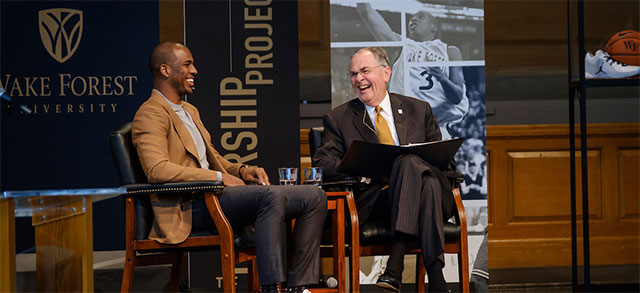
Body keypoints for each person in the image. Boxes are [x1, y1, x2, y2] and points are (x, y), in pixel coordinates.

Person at [132, 42, 327, 293]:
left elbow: (212, 157)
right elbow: (157, 170)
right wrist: (217, 178)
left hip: (215, 196)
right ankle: (270, 288)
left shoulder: (189, 110)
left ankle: (298, 286)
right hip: (191, 206)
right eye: (187, 65)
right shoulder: (150, 113)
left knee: (313, 196)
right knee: (270, 196)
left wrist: (241, 170)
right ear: (165, 70)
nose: (195, 71)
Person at [313, 47, 457, 292]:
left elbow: (446, 163)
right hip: (379, 200)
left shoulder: (418, 110)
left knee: (412, 165)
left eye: (365, 71)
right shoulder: (339, 118)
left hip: (433, 196)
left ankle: (394, 267)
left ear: (386, 73)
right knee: (420, 175)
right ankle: (436, 280)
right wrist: (362, 164)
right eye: (353, 74)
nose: (358, 79)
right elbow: (323, 165)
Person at [356, 3, 469, 139]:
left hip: (436, 127)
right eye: (411, 19)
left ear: (433, 27)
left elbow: (457, 96)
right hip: (404, 126)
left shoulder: (450, 51)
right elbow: (369, 15)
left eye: (421, 17)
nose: (413, 20)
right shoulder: (403, 45)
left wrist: (442, 79)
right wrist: (363, 5)